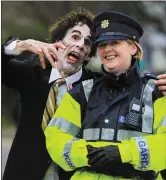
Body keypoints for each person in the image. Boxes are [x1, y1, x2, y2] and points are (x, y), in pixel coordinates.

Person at [45, 11, 166, 180]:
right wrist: (87, 153)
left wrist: (123, 153)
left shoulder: (157, 92)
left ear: (133, 47)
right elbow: (55, 137)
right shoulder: (81, 92)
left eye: (115, 42)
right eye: (102, 44)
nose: (107, 49)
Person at [2, 7, 100, 180]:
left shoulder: (96, 86)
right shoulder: (33, 71)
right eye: (75, 36)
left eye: (87, 42)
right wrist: (20, 45)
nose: (80, 44)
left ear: (87, 56)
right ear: (58, 42)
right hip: (24, 172)